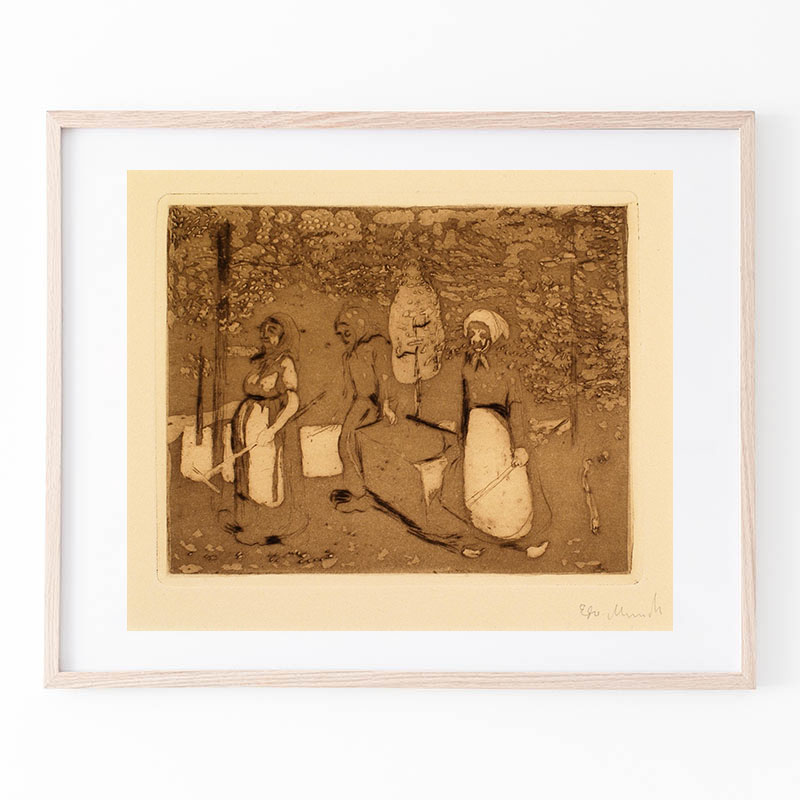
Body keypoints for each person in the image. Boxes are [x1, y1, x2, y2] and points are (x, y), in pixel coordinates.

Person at [444, 309, 550, 556]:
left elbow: (516, 407)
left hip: (500, 433)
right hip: (475, 436)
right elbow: (460, 402)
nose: (476, 340)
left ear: (492, 337)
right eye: (472, 334)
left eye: (482, 335)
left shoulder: (507, 369)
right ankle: (473, 543)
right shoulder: (464, 367)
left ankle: (528, 541)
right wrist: (459, 433)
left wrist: (520, 444)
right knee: (473, 487)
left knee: (514, 487)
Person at [224, 313, 306, 545]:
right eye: (263, 330)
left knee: (264, 476)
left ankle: (268, 528)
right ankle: (249, 522)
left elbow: (293, 401)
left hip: (267, 427)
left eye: (272, 331)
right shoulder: (260, 363)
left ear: (284, 335)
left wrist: (273, 429)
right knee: (247, 473)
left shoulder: (285, 363)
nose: (264, 335)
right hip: (247, 424)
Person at [330, 306, 398, 512]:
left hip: (375, 404)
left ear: (358, 326)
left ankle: (368, 494)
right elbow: (350, 388)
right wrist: (341, 410)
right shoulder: (349, 355)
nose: (344, 338)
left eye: (347, 332)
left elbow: (384, 376)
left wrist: (386, 405)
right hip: (360, 405)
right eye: (341, 334)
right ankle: (359, 492)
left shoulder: (377, 344)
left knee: (363, 447)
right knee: (346, 444)